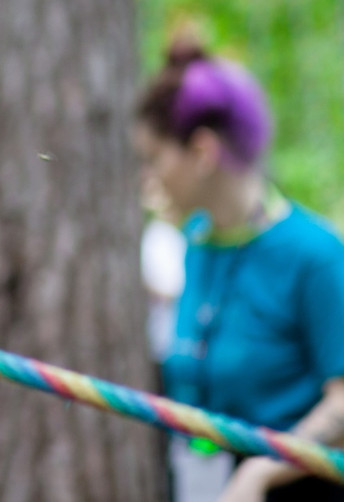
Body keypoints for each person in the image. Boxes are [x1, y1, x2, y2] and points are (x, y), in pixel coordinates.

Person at [135, 36, 344, 502]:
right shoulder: (197, 245)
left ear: (203, 152)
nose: (147, 178)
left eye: (154, 159)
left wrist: (264, 472)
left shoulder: (316, 254)